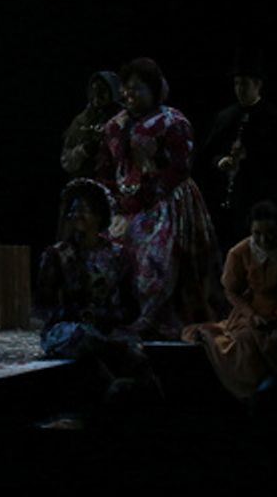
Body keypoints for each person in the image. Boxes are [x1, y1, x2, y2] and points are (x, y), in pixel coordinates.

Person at [97, 58, 221, 339]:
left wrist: (149, 193)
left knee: (155, 259)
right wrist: (112, 195)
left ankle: (154, 318)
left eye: (137, 89)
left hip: (164, 202)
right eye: (126, 89)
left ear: (153, 90)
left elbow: (180, 166)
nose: (129, 95)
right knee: (113, 256)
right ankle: (125, 315)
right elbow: (105, 165)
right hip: (125, 204)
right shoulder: (114, 125)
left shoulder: (171, 122)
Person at [183, 201, 277, 401]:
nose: (264, 239)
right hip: (253, 308)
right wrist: (252, 315)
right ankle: (254, 390)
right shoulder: (240, 252)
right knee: (245, 341)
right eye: (257, 233)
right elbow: (231, 291)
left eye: (270, 233)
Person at [198, 59, 277, 248]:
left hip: (256, 197)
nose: (239, 89)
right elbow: (208, 153)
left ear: (257, 85)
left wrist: (251, 158)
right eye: (236, 83)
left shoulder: (271, 117)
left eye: (244, 83)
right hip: (225, 201)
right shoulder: (225, 116)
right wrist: (220, 161)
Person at [36, 179, 134, 347]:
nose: (76, 216)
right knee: (84, 340)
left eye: (83, 210)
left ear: (99, 215)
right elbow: (43, 304)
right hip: (68, 331)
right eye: (73, 211)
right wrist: (73, 315)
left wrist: (104, 317)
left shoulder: (118, 255)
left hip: (106, 328)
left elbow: (131, 307)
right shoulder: (57, 254)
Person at [60, 71, 122, 178]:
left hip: (118, 184)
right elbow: (66, 161)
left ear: (114, 92)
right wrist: (83, 150)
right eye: (93, 90)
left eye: (102, 90)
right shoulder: (81, 120)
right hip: (88, 184)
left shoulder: (125, 118)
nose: (97, 95)